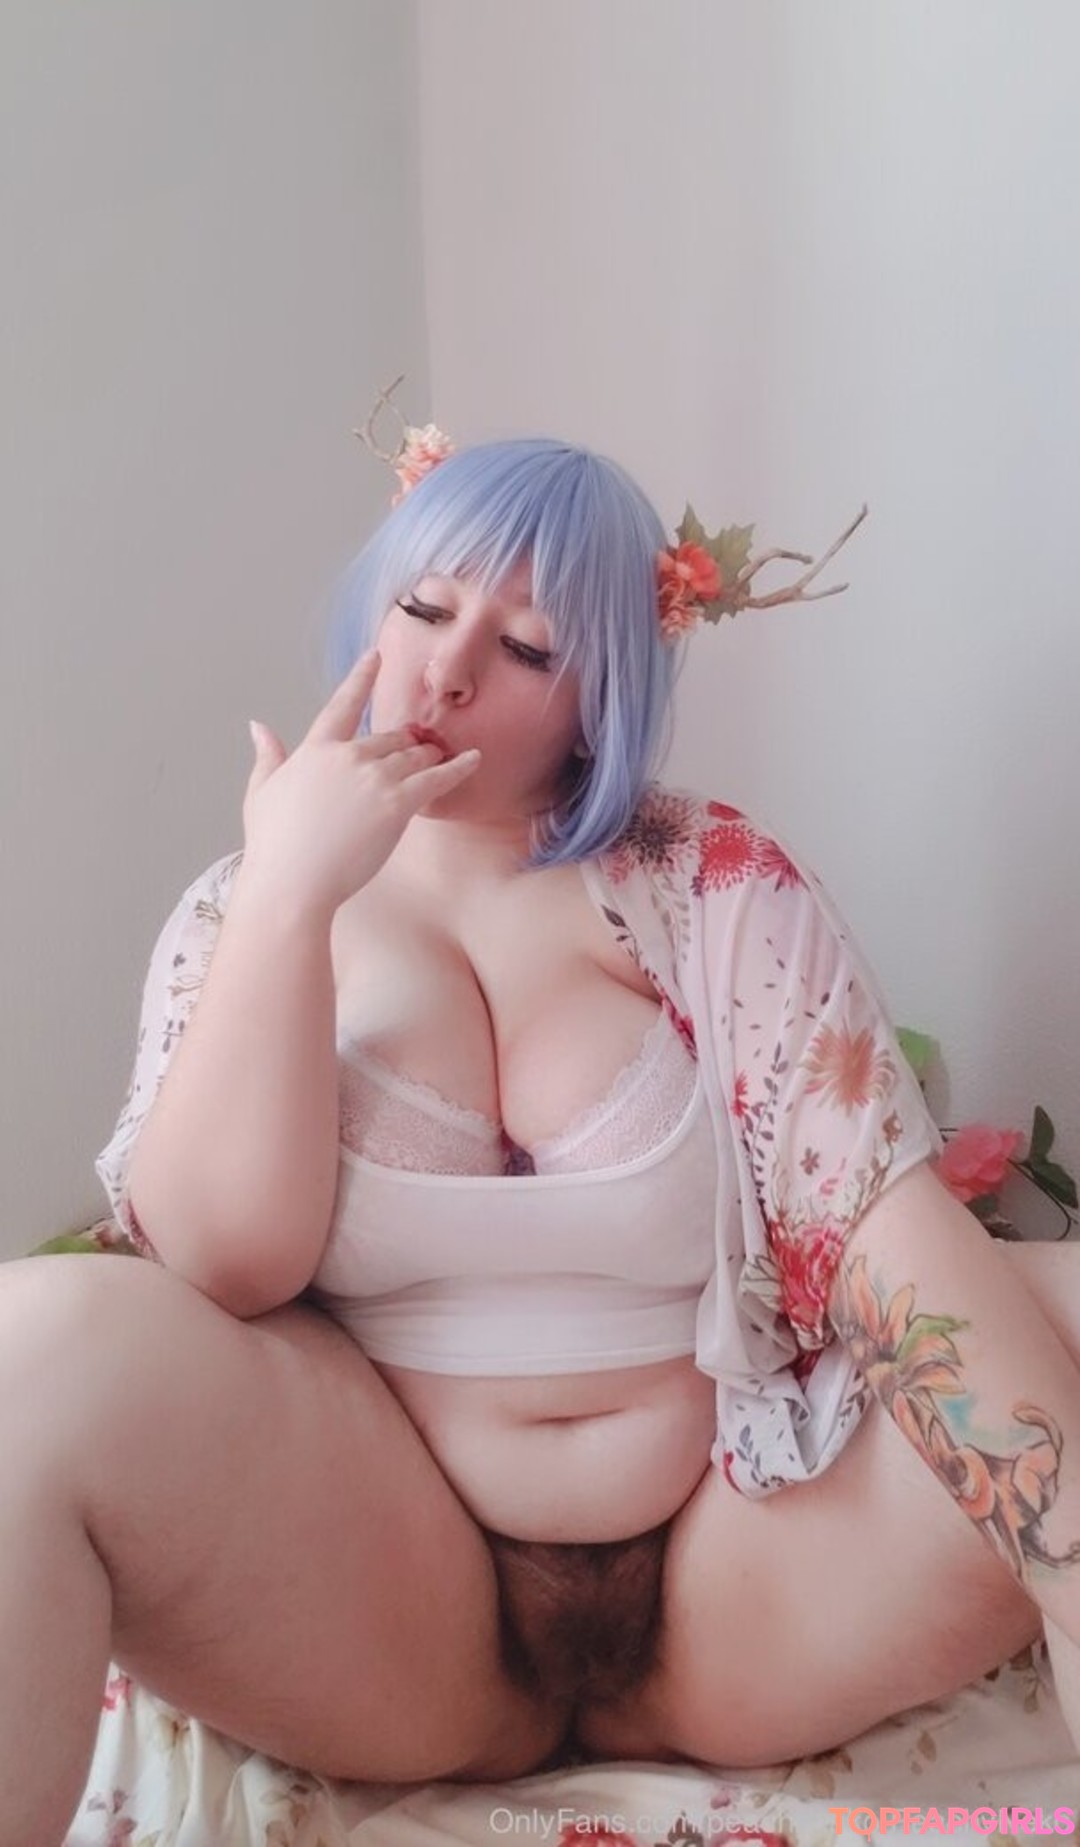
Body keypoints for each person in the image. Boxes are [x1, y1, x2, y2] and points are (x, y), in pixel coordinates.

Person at [2, 429, 1078, 1847]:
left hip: (736, 1586)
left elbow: (878, 1226)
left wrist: (1063, 1565)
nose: (447, 671)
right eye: (425, 607)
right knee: (38, 1341)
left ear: (601, 695)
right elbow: (222, 1262)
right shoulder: (244, 904)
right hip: (401, 1602)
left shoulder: (707, 882)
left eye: (527, 647)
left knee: (1050, 1305)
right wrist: (287, 901)